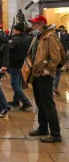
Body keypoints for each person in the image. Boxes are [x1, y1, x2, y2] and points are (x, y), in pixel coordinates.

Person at [27, 15, 62, 143]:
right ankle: (43, 128)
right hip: (36, 74)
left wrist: (47, 70)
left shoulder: (50, 37)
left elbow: (55, 57)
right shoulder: (38, 36)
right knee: (40, 103)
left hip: (45, 75)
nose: (32, 26)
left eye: (35, 24)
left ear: (42, 24)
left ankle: (56, 134)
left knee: (48, 104)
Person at [8, 23, 32, 111]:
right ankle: (16, 101)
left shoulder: (14, 40)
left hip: (15, 64)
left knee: (15, 85)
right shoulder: (27, 38)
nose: (13, 30)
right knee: (18, 83)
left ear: (18, 30)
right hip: (23, 64)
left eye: (14, 29)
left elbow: (9, 52)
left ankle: (26, 102)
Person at [53, 25, 69, 95]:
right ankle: (54, 86)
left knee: (52, 72)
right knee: (58, 73)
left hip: (52, 58)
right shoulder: (66, 36)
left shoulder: (50, 37)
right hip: (60, 57)